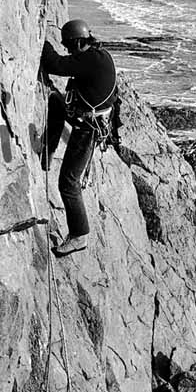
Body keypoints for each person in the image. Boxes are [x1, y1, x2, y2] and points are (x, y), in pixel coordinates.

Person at [41, 19, 117, 256]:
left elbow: (55, 64)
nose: (68, 51)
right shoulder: (99, 54)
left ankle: (79, 236)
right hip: (89, 118)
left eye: (69, 46)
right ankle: (48, 152)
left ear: (76, 42)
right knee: (55, 102)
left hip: (88, 128)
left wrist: (41, 39)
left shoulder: (89, 59)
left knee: (68, 183)